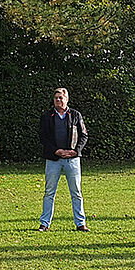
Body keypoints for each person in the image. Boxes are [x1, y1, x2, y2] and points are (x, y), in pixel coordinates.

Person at [38, 87, 89, 232]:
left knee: (76, 192)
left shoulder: (75, 115)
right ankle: (45, 223)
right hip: (53, 159)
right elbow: (43, 137)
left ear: (67, 99)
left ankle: (80, 223)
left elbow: (84, 135)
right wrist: (56, 151)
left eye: (61, 97)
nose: (58, 100)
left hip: (72, 159)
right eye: (56, 98)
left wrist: (75, 151)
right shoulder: (47, 116)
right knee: (49, 192)